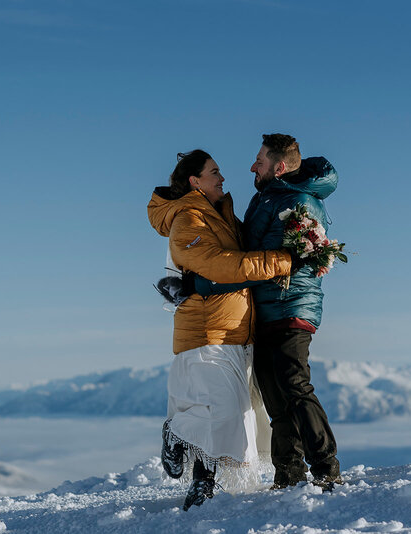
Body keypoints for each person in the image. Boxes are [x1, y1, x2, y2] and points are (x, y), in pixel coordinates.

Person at [147, 150, 292, 510]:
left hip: (237, 330)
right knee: (222, 410)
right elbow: (218, 265)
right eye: (214, 172)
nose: (222, 178)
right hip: (206, 329)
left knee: (232, 414)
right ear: (195, 181)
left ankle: (201, 477)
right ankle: (181, 439)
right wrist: (280, 262)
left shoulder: (220, 215)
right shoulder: (188, 219)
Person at [244, 133, 343, 490]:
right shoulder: (267, 197)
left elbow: (299, 256)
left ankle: (326, 467)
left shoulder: (301, 201)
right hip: (266, 310)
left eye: (259, 160)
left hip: (291, 306)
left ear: (279, 166)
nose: (253, 166)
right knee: (274, 393)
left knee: (294, 384)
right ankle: (288, 472)